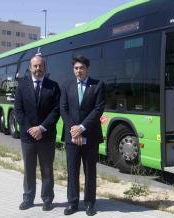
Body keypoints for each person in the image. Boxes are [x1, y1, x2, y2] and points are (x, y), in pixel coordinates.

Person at [14, 54, 60, 211]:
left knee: (47, 169)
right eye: (35, 66)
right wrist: (30, 129)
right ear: (30, 67)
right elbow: (18, 111)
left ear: (45, 67)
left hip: (46, 136)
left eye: (40, 66)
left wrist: (41, 128)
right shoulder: (22, 86)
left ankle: (47, 199)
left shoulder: (53, 86)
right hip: (27, 137)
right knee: (29, 168)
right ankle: (28, 198)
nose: (38, 68)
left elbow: (56, 110)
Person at [60, 56, 105, 216]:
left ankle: (90, 203)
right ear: (74, 70)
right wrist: (74, 129)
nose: (79, 71)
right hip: (71, 136)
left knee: (90, 171)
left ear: (87, 69)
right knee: (72, 171)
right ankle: (72, 203)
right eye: (76, 68)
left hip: (90, 136)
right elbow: (63, 109)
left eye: (82, 68)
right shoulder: (66, 85)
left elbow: (98, 109)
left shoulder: (98, 85)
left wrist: (81, 127)